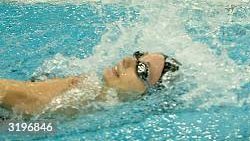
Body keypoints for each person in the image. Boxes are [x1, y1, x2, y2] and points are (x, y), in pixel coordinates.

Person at [0, 51, 180, 116]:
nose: (127, 59)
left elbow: (30, 109)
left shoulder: (90, 96)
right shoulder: (91, 92)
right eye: (138, 55)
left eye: (141, 68)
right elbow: (29, 105)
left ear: (149, 96)